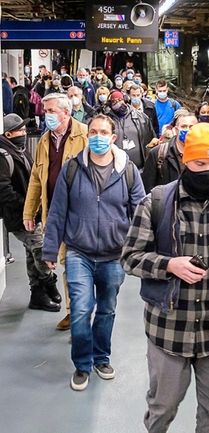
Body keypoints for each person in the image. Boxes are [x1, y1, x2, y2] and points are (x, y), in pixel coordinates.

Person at [121, 122, 209, 433]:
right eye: (200, 164)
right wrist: (169, 265)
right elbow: (130, 258)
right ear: (184, 157)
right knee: (163, 408)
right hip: (169, 332)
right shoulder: (156, 203)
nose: (207, 171)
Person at [42, 114, 145, 391]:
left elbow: (140, 214)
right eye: (93, 132)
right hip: (79, 253)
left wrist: (140, 250)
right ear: (87, 136)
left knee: (107, 309)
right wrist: (50, 249)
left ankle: (101, 358)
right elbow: (58, 211)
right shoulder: (72, 169)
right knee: (80, 309)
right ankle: (82, 364)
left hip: (114, 255)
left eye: (103, 132)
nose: (98, 137)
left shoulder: (129, 171)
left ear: (113, 137)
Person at [24, 93, 89, 329]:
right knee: (66, 263)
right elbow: (36, 178)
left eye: (50, 111)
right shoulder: (44, 140)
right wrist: (29, 211)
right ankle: (75, 313)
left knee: (82, 264)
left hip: (81, 216)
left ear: (66, 112)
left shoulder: (85, 135)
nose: (45, 115)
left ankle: (83, 312)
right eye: (45, 110)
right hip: (54, 214)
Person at [0, 114, 59, 310]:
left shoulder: (19, 150)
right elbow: (4, 191)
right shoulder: (3, 156)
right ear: (8, 134)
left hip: (31, 212)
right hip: (18, 215)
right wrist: (26, 208)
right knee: (40, 249)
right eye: (20, 130)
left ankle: (38, 294)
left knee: (30, 251)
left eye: (25, 130)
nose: (24, 133)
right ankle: (50, 283)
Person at [141, 109, 197, 191]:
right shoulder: (158, 153)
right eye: (184, 126)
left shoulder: (203, 155)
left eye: (191, 127)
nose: (188, 130)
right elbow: (147, 187)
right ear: (176, 129)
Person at [106, 90, 155, 169]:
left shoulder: (141, 117)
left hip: (141, 168)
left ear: (125, 100)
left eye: (119, 100)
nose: (117, 103)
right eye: (114, 101)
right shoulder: (107, 120)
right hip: (117, 168)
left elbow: (151, 139)